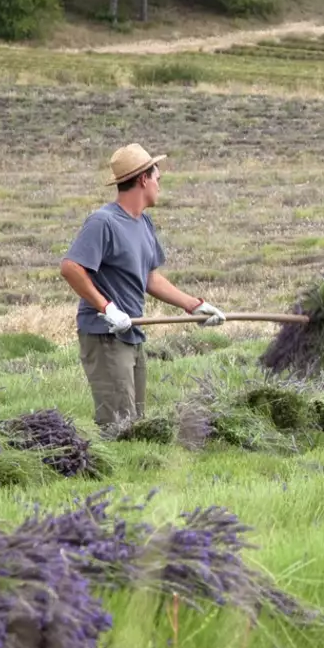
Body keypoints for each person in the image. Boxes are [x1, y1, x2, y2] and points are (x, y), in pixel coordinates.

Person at [59, 143, 223, 432]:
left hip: (131, 333)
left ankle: (133, 471)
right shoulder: (103, 222)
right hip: (106, 336)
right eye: (157, 178)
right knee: (119, 424)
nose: (160, 186)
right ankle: (110, 474)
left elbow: (149, 278)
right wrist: (107, 308)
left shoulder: (143, 222)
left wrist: (194, 306)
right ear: (143, 179)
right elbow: (71, 268)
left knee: (136, 420)